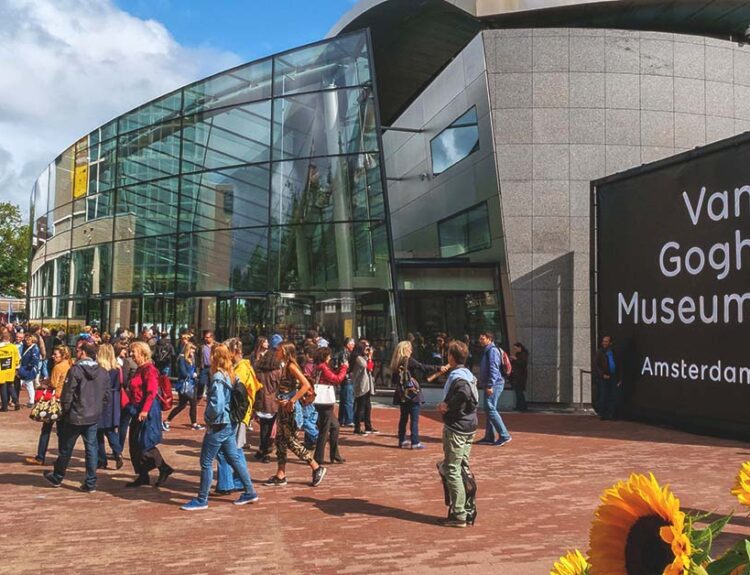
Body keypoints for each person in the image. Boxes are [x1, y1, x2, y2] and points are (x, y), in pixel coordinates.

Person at [181, 344, 259, 510]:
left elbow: (217, 405)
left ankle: (202, 499)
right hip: (229, 422)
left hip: (219, 424)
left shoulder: (218, 376)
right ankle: (250, 491)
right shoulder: (230, 373)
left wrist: (208, 419)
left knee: (206, 461)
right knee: (233, 457)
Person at [43, 341, 111, 492]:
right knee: (91, 449)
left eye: (79, 351)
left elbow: (68, 394)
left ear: (84, 353)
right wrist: (98, 409)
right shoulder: (102, 371)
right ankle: (91, 482)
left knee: (67, 448)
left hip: (75, 415)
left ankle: (58, 476)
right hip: (92, 416)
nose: (77, 353)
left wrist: (65, 411)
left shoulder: (75, 370)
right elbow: (107, 396)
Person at [263, 341, 326, 487]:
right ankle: (281, 474)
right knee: (280, 440)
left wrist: (292, 400)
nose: (276, 352)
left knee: (290, 440)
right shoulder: (284, 366)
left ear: (284, 351)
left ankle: (316, 467)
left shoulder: (291, 366)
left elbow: (306, 385)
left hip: (289, 410)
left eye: (278, 350)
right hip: (283, 408)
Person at [437, 340, 478, 527]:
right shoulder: (468, 374)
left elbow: (463, 393)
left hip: (457, 428)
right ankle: (468, 508)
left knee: (452, 469)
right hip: (469, 426)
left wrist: (448, 406)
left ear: (451, 357)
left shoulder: (459, 377)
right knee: (462, 467)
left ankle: (459, 513)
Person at [215, 338, 261, 494]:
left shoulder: (240, 368)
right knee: (235, 449)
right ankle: (238, 480)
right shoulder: (243, 366)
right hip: (241, 414)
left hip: (236, 414)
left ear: (234, 352)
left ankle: (227, 483)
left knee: (227, 450)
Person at [125, 341, 173, 488]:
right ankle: (143, 475)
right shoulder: (139, 369)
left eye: (134, 351)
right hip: (136, 408)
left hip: (148, 410)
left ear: (142, 353)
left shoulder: (149, 369)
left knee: (146, 443)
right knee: (135, 443)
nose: (131, 354)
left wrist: (145, 410)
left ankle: (163, 468)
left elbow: (151, 392)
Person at [26, 345, 72, 465]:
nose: (53, 356)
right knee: (62, 431)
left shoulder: (58, 367)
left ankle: (40, 456)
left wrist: (43, 385)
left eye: (55, 354)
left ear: (63, 355)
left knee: (46, 429)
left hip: (54, 399)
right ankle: (62, 458)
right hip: (64, 399)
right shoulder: (69, 364)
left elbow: (54, 383)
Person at [390, 341, 440, 450]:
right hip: (412, 393)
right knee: (414, 419)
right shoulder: (409, 360)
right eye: (410, 348)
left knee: (403, 418)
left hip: (402, 394)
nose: (411, 351)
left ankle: (402, 440)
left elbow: (394, 380)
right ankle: (415, 441)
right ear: (406, 350)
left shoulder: (396, 362)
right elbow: (422, 367)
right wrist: (438, 368)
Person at [312, 346, 347, 465]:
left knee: (335, 426)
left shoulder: (318, 367)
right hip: (324, 401)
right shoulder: (322, 367)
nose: (330, 357)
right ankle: (319, 457)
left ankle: (334, 454)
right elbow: (337, 379)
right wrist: (344, 368)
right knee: (324, 429)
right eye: (328, 355)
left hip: (321, 401)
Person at [476, 331, 512, 446]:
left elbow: (494, 369)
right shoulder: (488, 350)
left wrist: (490, 385)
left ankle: (504, 435)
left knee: (490, 408)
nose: (480, 340)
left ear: (489, 339)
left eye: (482, 338)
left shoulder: (492, 351)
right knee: (489, 409)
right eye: (480, 338)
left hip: (494, 384)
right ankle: (489, 436)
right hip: (491, 384)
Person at [252, 336, 283, 464]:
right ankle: (266, 451)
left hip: (261, 401)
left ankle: (262, 449)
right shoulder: (277, 371)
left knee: (264, 428)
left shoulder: (258, 371)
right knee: (271, 429)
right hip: (273, 403)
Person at [95, 343, 123, 469]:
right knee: (111, 430)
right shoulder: (117, 368)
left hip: (101, 399)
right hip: (114, 399)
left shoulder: (99, 369)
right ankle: (118, 452)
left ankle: (101, 459)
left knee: (98, 432)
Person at [166, 342, 203, 430]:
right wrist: (191, 375)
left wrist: (195, 374)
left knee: (193, 404)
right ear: (188, 349)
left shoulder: (192, 359)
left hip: (192, 384)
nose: (193, 352)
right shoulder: (182, 359)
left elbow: (194, 369)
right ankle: (167, 421)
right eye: (192, 350)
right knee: (182, 405)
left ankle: (194, 423)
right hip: (184, 385)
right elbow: (182, 372)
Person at [351, 341, 377, 435]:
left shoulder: (363, 358)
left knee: (367, 406)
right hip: (361, 385)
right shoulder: (358, 358)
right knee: (360, 407)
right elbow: (368, 367)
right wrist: (369, 357)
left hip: (367, 385)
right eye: (365, 348)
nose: (367, 350)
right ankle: (357, 428)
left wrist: (369, 356)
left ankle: (368, 426)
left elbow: (371, 367)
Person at [594, 335, 620, 421]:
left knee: (613, 396)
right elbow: (596, 365)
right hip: (604, 377)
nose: (604, 343)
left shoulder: (614, 352)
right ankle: (603, 414)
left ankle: (611, 414)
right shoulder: (600, 352)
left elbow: (618, 364)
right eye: (603, 341)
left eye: (606, 341)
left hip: (613, 376)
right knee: (603, 396)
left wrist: (619, 377)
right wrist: (602, 374)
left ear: (610, 343)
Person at [18, 333, 41, 407]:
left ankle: (31, 401)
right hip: (25, 367)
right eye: (26, 339)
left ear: (33, 340)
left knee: (29, 384)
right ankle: (17, 400)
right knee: (24, 384)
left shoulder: (35, 348)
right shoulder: (27, 347)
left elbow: (34, 359)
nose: (27, 341)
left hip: (28, 369)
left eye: (29, 340)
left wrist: (29, 366)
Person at [0, 328, 20, 411]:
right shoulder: (13, 347)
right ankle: (16, 401)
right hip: (10, 370)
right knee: (10, 386)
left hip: (1, 371)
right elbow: (17, 359)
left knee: (3, 388)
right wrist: (16, 368)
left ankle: (4, 407)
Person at [336, 338, 355, 427]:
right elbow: (345, 366)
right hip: (347, 379)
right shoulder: (345, 354)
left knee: (344, 400)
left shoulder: (344, 353)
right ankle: (348, 419)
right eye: (352, 344)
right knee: (348, 400)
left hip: (345, 379)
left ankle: (342, 419)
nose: (353, 346)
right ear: (348, 345)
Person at [196, 330, 215, 400]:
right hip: (204, 367)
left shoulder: (216, 346)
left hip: (212, 367)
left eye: (207, 337)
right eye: (205, 337)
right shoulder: (201, 346)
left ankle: (209, 397)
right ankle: (199, 395)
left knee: (211, 383)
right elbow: (198, 357)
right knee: (201, 382)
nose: (206, 339)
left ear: (212, 337)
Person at [510, 342, 529, 412]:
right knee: (517, 392)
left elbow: (523, 363)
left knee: (519, 391)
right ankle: (519, 406)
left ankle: (523, 407)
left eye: (516, 348)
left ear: (519, 347)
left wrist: (515, 359)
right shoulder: (518, 354)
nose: (515, 350)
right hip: (516, 375)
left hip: (521, 376)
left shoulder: (524, 354)